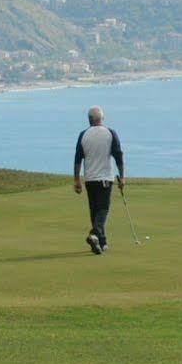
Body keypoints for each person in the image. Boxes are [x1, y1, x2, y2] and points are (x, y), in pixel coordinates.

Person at [72, 105, 124, 254]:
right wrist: (122, 178)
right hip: (105, 179)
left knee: (94, 211)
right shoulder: (110, 133)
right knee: (103, 209)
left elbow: (77, 159)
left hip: (89, 179)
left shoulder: (83, 134)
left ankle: (101, 242)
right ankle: (95, 234)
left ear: (89, 120)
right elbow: (118, 156)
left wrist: (76, 180)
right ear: (102, 119)